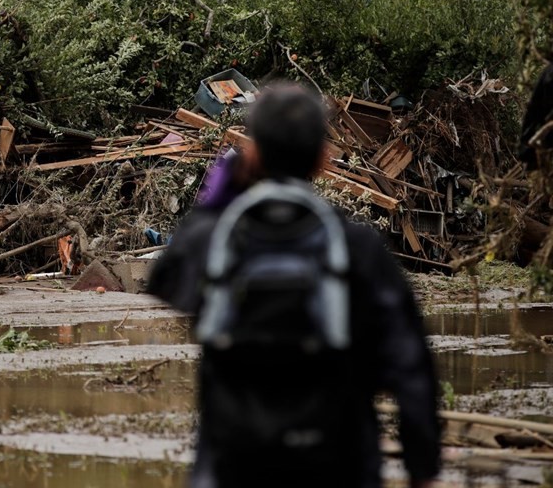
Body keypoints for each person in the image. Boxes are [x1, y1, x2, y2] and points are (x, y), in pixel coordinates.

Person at [149, 83, 440, 488]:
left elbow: (165, 278)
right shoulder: (357, 246)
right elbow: (410, 364)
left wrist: (221, 194)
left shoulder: (214, 241)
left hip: (235, 462)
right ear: (323, 160)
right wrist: (422, 466)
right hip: (340, 461)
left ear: (253, 153)